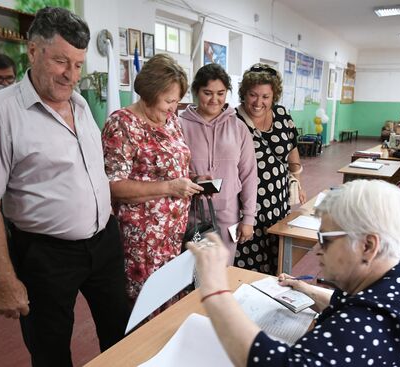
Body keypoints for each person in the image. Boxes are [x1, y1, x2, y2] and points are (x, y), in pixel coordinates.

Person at [0, 7, 130, 366]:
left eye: (78, 64)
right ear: (33, 50)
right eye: (61, 61)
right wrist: (3, 279)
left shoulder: (80, 102)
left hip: (103, 243)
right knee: (50, 348)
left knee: (121, 333)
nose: (71, 75)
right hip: (46, 255)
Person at [187, 180, 400, 367]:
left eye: (326, 239)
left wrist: (215, 290)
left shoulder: (367, 326)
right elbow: (358, 302)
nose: (317, 250)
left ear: (367, 245)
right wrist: (307, 290)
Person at [102, 53, 203, 303]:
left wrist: (193, 179)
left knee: (170, 296)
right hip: (143, 239)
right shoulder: (122, 124)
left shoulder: (171, 121)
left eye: (177, 101)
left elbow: (173, 166)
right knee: (145, 302)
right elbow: (113, 186)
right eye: (168, 100)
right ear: (149, 92)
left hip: (174, 232)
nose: (173, 108)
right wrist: (170, 187)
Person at [179, 63, 257, 265]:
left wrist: (248, 218)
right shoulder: (179, 125)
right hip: (190, 213)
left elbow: (248, 174)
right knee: (193, 274)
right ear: (196, 92)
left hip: (228, 213)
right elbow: (173, 170)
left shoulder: (238, 127)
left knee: (223, 270)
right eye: (207, 93)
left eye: (221, 93)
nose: (215, 99)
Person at [234, 63, 306, 274]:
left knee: (277, 253)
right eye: (253, 95)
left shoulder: (282, 115)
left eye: (265, 97)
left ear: (274, 96)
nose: (258, 102)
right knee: (248, 258)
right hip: (247, 201)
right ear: (244, 94)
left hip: (278, 199)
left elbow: (292, 151)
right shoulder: (233, 120)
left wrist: (297, 181)